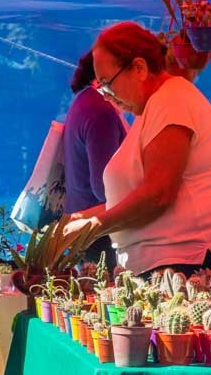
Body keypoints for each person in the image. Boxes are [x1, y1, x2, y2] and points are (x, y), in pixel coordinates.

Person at [62, 22, 211, 279]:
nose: (105, 95)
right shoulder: (155, 107)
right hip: (171, 266)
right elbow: (135, 197)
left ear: (139, 68)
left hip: (189, 265)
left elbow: (158, 194)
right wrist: (77, 221)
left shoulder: (172, 100)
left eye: (107, 83)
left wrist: (91, 226)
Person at [62, 50, 127, 272]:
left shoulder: (85, 101)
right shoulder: (101, 112)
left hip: (86, 231)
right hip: (100, 235)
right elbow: (104, 189)